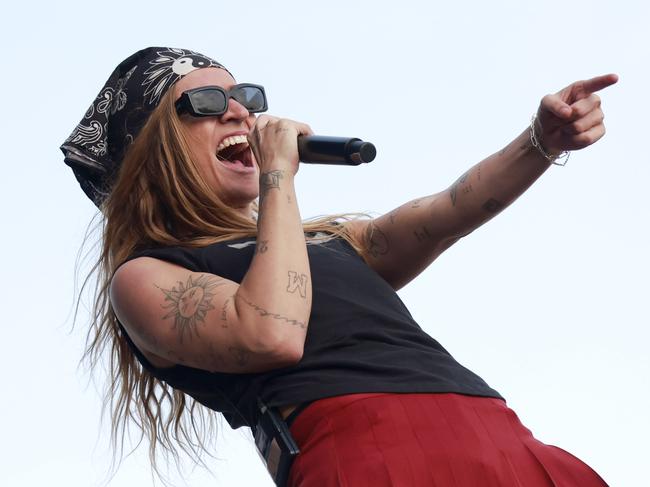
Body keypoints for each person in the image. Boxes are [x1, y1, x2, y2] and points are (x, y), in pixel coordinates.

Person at [61, 46, 617, 487]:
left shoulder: (322, 241)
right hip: (373, 454)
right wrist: (279, 175)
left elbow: (447, 212)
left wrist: (540, 142)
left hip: (502, 438)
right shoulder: (145, 275)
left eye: (244, 96)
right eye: (204, 103)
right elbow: (271, 334)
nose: (240, 112)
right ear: (152, 148)